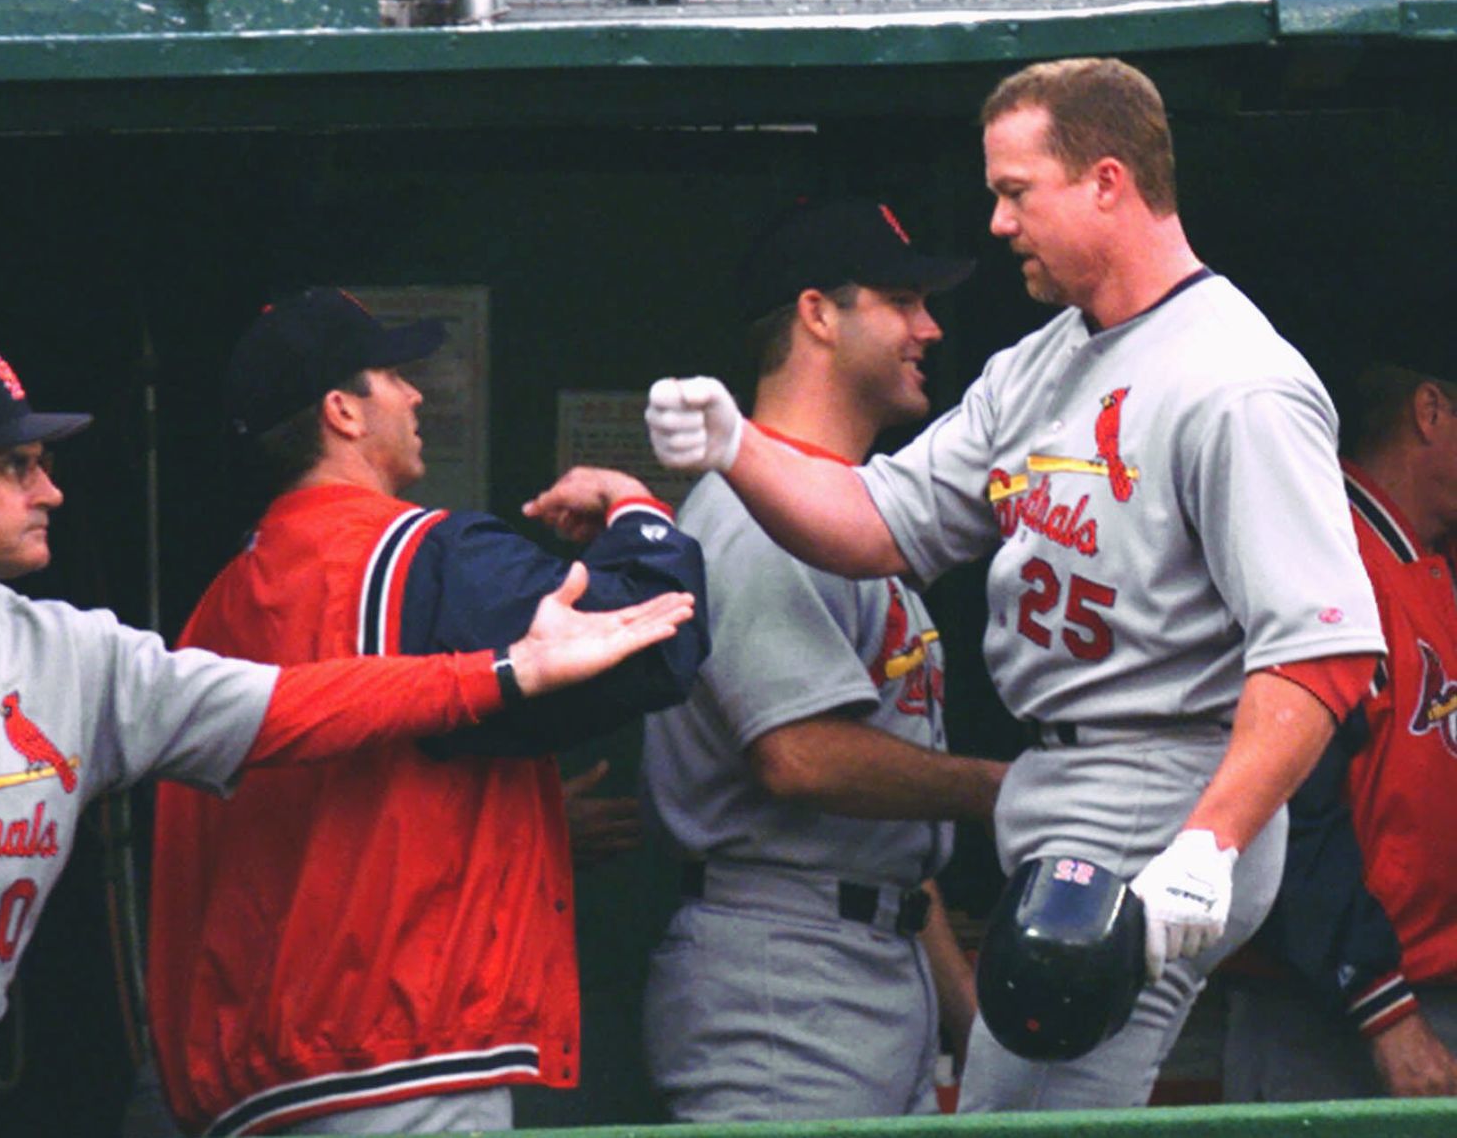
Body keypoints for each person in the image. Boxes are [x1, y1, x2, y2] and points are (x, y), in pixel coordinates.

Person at [643, 56, 1384, 1111]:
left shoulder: (1235, 379)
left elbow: (1320, 648)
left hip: (1159, 778)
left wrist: (1207, 844)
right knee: (1019, 1107)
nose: (997, 222)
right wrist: (737, 451)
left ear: (1108, 183)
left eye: (1015, 191)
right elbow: (880, 522)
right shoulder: (1040, 364)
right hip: (1069, 786)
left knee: (1024, 1117)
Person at [0, 344, 693, 1138]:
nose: (50, 491)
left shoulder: (75, 652)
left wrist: (504, 672)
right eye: (13, 466)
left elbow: (293, 708)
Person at [146, 288, 708, 1137]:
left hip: (255, 1084)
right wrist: (634, 504)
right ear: (341, 410)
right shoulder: (416, 556)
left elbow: (338, 807)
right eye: (393, 375)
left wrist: (521, 823)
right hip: (397, 1062)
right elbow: (657, 633)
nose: (414, 395)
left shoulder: (215, 608)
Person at [620, 198, 1006, 1122]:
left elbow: (898, 860)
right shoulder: (750, 514)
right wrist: (1014, 787)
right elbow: (799, 755)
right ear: (817, 315)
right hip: (781, 973)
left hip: (875, 958)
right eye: (903, 299)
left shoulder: (840, 516)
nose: (930, 327)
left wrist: (977, 1034)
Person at [1223, 355, 1457, 1101]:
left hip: (1421, 991)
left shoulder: (1428, 561)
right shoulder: (1327, 549)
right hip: (1329, 1013)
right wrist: (1383, 1007)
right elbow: (1284, 802)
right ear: (1431, 412)